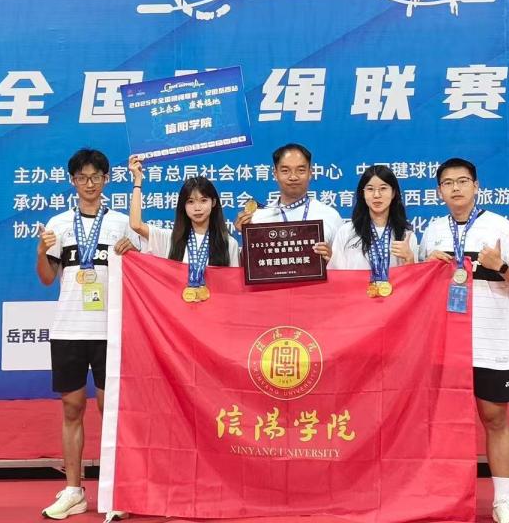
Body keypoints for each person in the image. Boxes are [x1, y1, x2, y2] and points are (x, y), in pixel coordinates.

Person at [418, 158, 509, 523]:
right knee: (439, 423)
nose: (455, 188)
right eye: (448, 182)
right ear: (439, 191)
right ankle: (439, 498)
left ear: (476, 186)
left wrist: (500, 266)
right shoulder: (433, 231)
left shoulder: (500, 226)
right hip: (443, 342)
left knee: (494, 418)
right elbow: (416, 285)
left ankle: (503, 502)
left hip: (488, 341)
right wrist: (425, 264)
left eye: (462, 181)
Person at [35, 148, 139, 521]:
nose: (89, 184)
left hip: (112, 330)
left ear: (106, 179)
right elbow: (47, 278)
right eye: (82, 177)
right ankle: (73, 491)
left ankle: (116, 492)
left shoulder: (123, 223)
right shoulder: (59, 223)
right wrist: (42, 250)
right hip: (69, 328)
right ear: (72, 181)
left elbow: (141, 276)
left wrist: (134, 253)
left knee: (110, 411)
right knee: (72, 408)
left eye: (96, 177)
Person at [128, 154, 239, 301]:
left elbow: (234, 291)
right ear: (183, 206)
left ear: (213, 203)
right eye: (190, 202)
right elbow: (136, 224)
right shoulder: (170, 238)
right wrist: (137, 180)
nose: (197, 208)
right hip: (176, 313)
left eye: (203, 200)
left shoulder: (229, 244)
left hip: (215, 312)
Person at [233, 142, 343, 260]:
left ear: (310, 173)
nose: (293, 177)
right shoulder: (258, 218)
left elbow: (344, 264)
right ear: (275, 174)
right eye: (285, 171)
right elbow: (248, 265)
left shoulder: (330, 215)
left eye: (301, 170)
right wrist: (248, 236)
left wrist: (332, 258)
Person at [329, 165, 417, 294]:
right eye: (370, 189)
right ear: (363, 193)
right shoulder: (346, 232)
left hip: (396, 303)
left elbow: (413, 286)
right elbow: (336, 276)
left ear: (393, 193)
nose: (377, 195)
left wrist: (409, 259)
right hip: (355, 302)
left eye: (383, 188)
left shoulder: (406, 235)